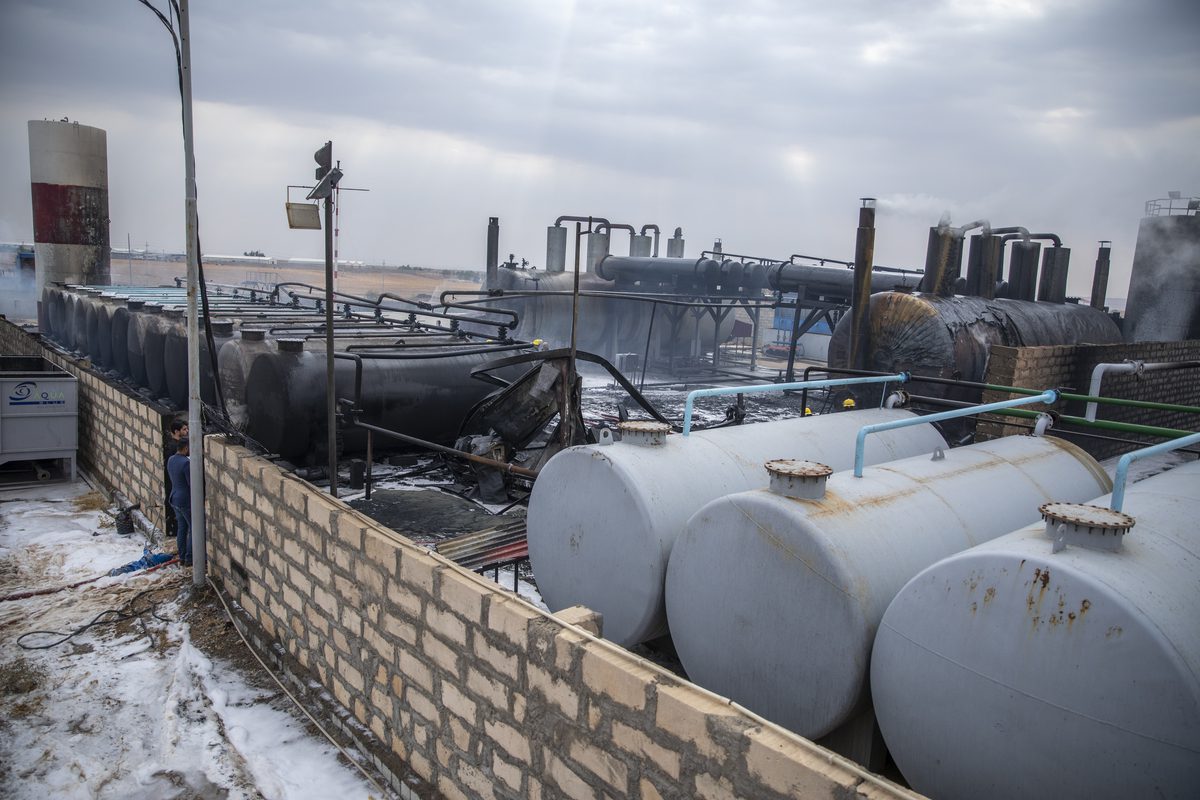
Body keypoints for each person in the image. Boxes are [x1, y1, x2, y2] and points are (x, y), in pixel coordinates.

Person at [168, 437, 192, 566]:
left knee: (182, 528)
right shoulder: (186, 463)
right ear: (186, 448)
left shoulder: (171, 459)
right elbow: (191, 484)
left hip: (174, 498)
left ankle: (182, 556)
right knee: (194, 528)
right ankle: (190, 558)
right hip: (185, 501)